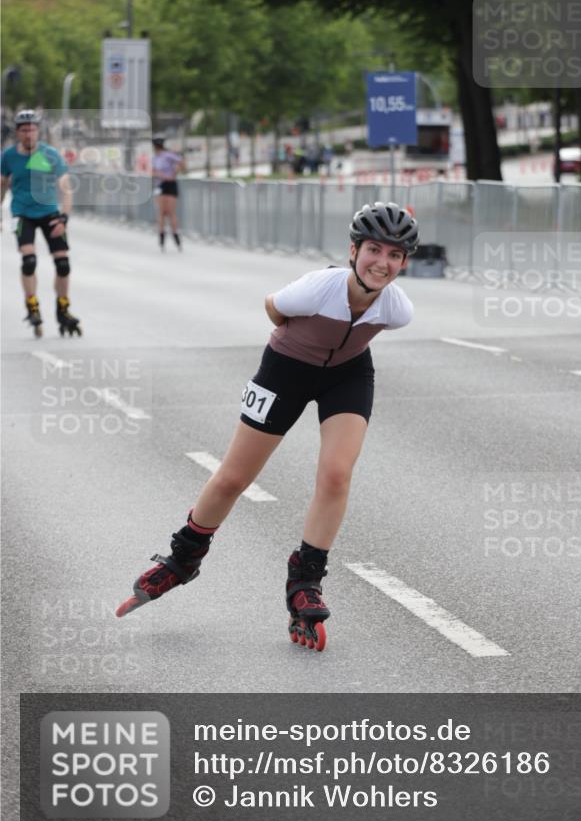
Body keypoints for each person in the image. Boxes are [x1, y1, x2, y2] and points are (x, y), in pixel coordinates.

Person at [116, 202, 419, 651]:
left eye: (395, 256)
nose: (383, 263)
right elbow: (273, 307)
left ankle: (305, 580)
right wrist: (295, 343)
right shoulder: (318, 288)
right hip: (285, 369)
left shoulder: (398, 309)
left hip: (349, 375)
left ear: (404, 262)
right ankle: (182, 559)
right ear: (353, 250)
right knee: (234, 477)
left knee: (336, 475)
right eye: (374, 249)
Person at [0, 109, 81, 337]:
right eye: (24, 130)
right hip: (23, 214)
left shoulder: (50, 154)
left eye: (32, 130)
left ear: (38, 131)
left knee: (63, 264)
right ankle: (32, 305)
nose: (29, 134)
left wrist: (64, 217)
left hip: (49, 213)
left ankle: (63, 308)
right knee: (29, 261)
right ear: (17, 133)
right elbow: (2, 185)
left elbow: (66, 188)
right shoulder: (7, 157)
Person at [152, 136, 185, 251]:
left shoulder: (168, 155)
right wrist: (160, 175)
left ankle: (176, 236)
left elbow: (181, 162)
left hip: (170, 184)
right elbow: (153, 171)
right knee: (161, 212)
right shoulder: (155, 158)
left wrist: (174, 174)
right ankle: (162, 237)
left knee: (171, 212)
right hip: (161, 185)